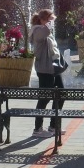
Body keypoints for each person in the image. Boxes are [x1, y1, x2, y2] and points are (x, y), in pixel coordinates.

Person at [31, 8, 65, 138]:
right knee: (44, 98)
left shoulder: (46, 30)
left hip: (54, 68)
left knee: (61, 94)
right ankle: (37, 128)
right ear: (42, 19)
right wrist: (48, 24)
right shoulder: (37, 30)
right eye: (50, 19)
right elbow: (44, 33)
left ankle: (54, 126)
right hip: (44, 69)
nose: (52, 23)